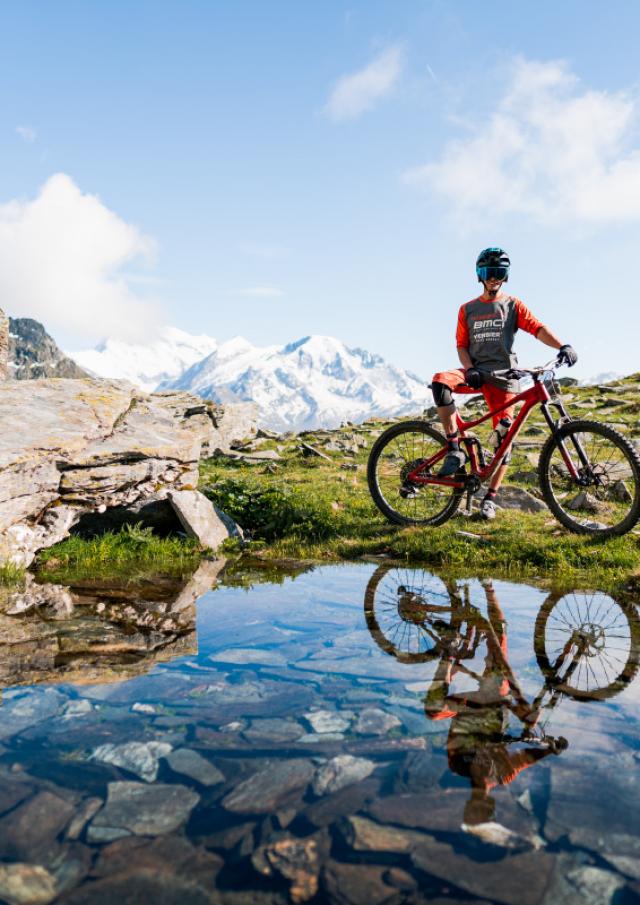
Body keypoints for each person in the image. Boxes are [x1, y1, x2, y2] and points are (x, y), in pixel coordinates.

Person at [431, 248, 577, 520]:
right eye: (489, 272)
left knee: (504, 439)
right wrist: (470, 369)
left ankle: (489, 498)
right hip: (474, 373)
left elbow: (538, 328)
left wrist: (563, 345)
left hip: (504, 378)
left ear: (506, 276)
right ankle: (454, 450)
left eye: (499, 272)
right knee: (440, 382)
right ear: (479, 275)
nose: (494, 278)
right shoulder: (467, 309)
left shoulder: (513, 305)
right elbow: (461, 345)